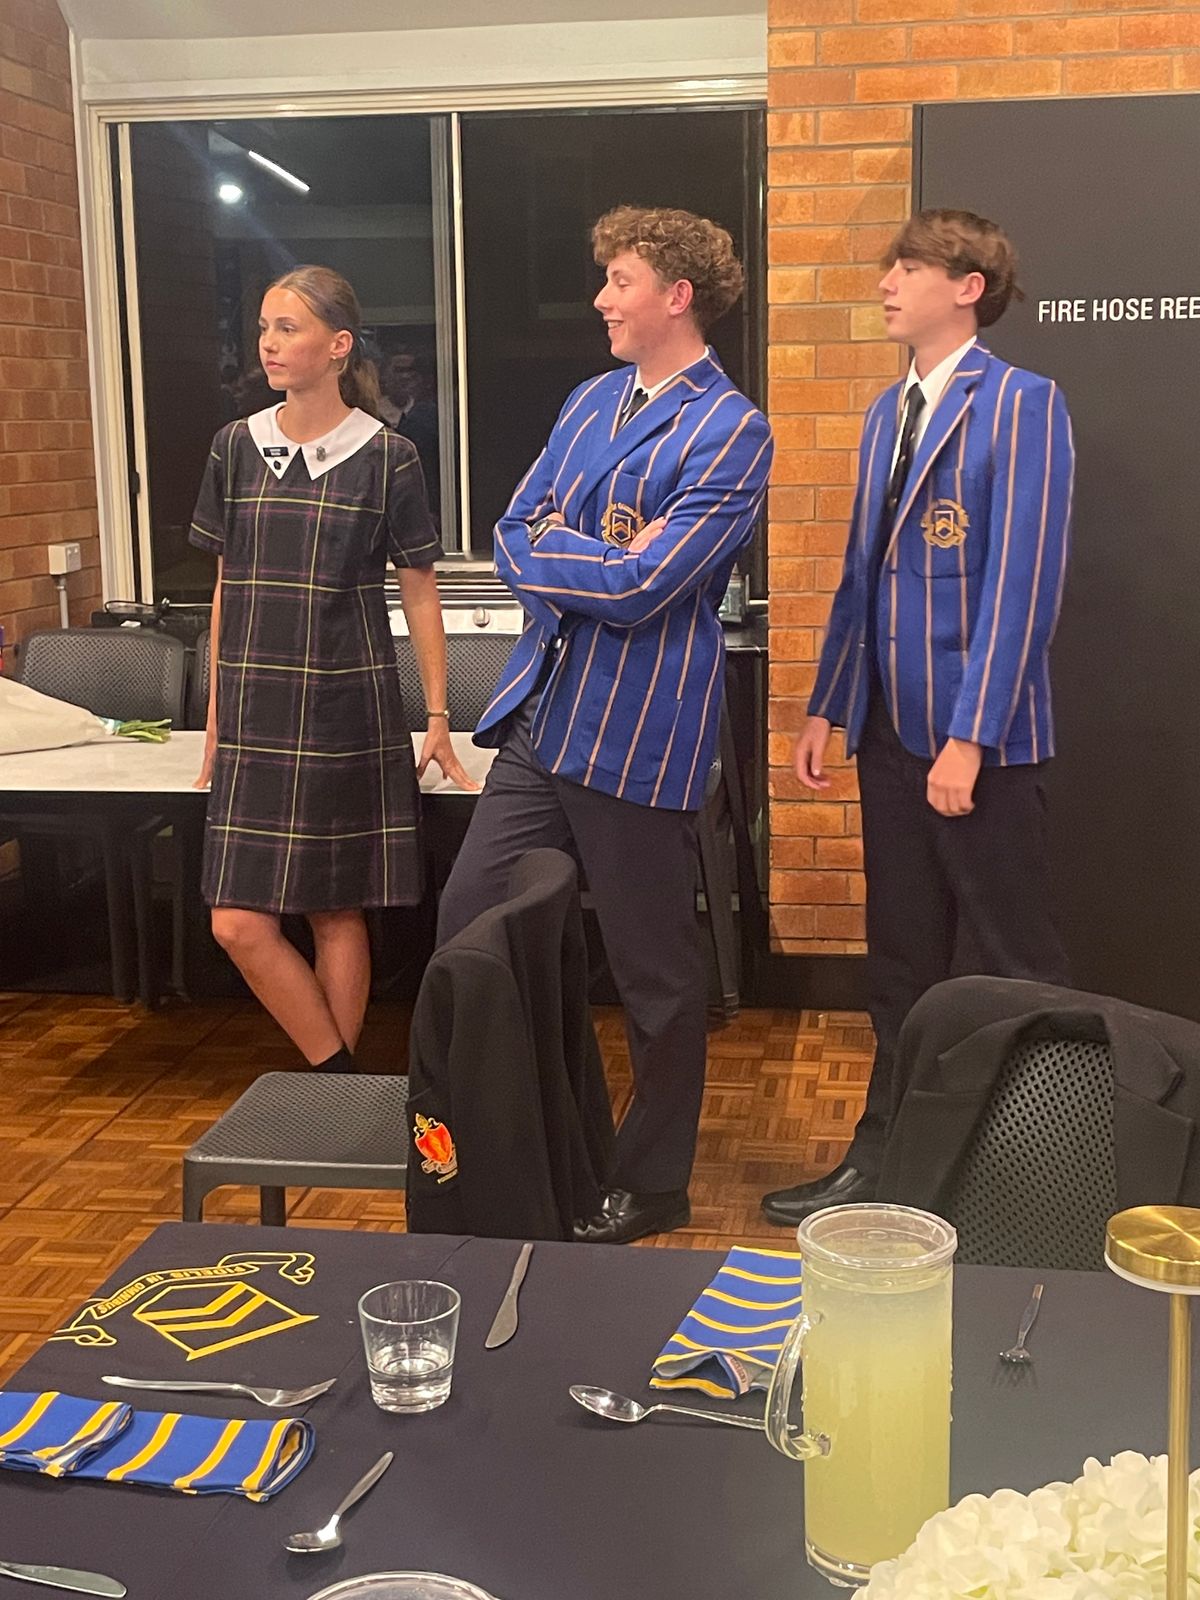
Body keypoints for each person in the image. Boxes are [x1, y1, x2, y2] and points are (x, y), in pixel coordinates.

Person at [436, 205, 773, 1245]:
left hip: (639, 734)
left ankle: (655, 1180)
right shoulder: (588, 401)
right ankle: (528, 1132)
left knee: (654, 976)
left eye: (619, 281)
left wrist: (570, 552)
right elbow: (510, 533)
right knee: (470, 918)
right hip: (544, 714)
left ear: (676, 295)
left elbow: (644, 587)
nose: (600, 300)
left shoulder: (733, 430)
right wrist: (589, 554)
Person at [761, 209, 1074, 1227]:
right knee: (899, 962)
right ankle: (885, 1159)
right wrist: (829, 705)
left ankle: (1041, 1183)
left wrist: (970, 738)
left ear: (969, 285)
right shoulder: (884, 412)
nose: (887, 282)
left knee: (1012, 962)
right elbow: (862, 577)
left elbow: (1023, 585)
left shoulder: (1021, 403)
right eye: (889, 266)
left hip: (981, 749)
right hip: (892, 739)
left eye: (909, 266)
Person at [189, 264, 474, 1071]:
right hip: (254, 714)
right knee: (236, 922)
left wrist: (438, 716)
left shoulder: (388, 457)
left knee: (336, 911)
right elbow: (226, 584)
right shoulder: (234, 447)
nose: (269, 344)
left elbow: (419, 591)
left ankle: (333, 1104)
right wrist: (216, 713)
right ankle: (341, 1077)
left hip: (346, 711)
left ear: (339, 345)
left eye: (288, 328)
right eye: (264, 328)